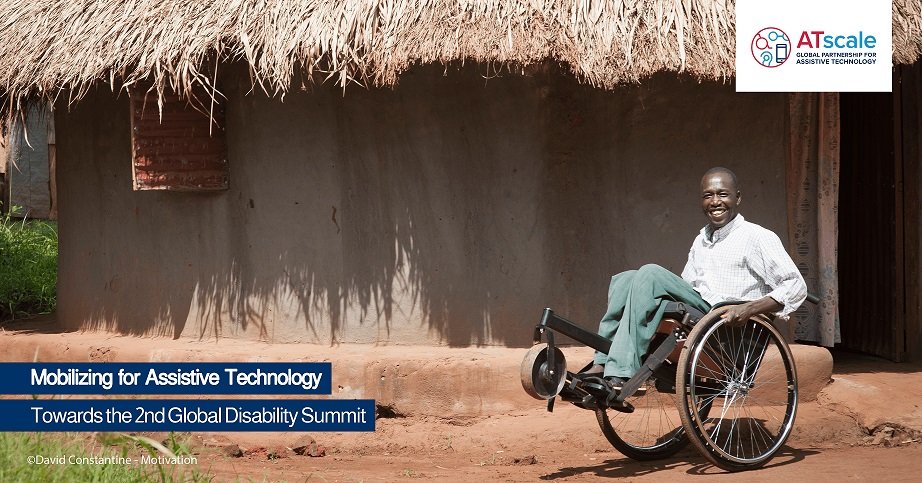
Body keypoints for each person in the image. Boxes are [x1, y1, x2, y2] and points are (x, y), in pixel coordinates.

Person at [586, 167, 807, 390]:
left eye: (723, 194)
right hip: (698, 309)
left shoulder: (757, 237)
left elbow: (795, 285)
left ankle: (624, 370)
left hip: (723, 321)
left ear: (738, 198)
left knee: (649, 273)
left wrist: (749, 309)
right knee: (626, 279)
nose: (715, 202)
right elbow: (686, 286)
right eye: (708, 196)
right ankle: (603, 360)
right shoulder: (701, 240)